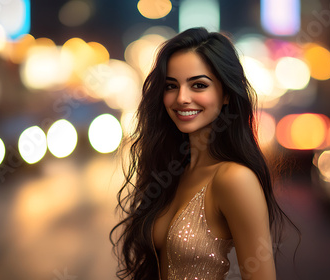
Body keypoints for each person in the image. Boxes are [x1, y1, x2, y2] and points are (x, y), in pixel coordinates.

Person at [110, 27, 296, 280]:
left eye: (198, 85)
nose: (182, 98)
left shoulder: (234, 179)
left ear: (227, 93)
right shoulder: (173, 169)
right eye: (171, 86)